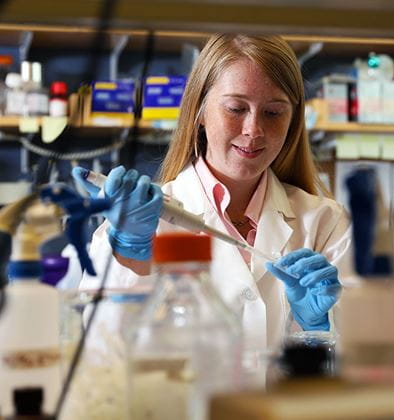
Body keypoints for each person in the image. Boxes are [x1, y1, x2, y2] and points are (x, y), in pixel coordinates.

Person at [73, 33, 353, 360]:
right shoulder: (135, 225)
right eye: (236, 108)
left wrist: (319, 327)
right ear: (200, 111)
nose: (254, 130)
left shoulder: (325, 223)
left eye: (274, 112)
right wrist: (128, 253)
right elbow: (99, 359)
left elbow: (370, 367)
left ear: (292, 121)